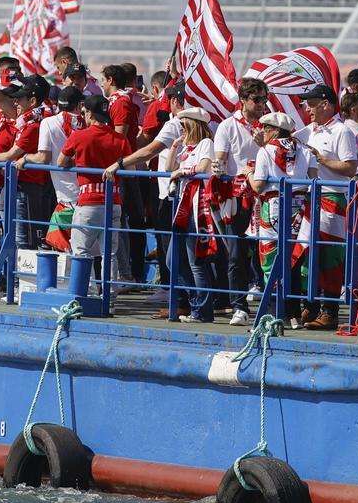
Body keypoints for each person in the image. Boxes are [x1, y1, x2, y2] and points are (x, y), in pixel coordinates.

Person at [105, 82, 191, 317]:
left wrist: (121, 163)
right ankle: (196, 299)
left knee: (171, 249)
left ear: (174, 102)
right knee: (189, 251)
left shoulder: (175, 124)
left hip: (172, 196)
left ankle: (180, 299)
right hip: (188, 197)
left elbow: (150, 149)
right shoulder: (201, 124)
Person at [295, 83, 358, 330]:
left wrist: (322, 159)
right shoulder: (311, 130)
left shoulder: (341, 131)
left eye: (311, 105)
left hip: (333, 197)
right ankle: (310, 305)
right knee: (308, 253)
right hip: (312, 197)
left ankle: (330, 311)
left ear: (325, 104)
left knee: (330, 255)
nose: (307, 109)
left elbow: (350, 167)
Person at [244, 111, 317, 328]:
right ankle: (294, 314)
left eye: (266, 128)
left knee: (270, 261)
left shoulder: (265, 151)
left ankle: (275, 312)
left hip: (272, 208)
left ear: (275, 130)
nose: (262, 132)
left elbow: (257, 185)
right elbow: (313, 180)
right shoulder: (305, 149)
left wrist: (248, 173)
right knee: (294, 260)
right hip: (299, 210)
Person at [209, 78, 268, 325]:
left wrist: (266, 144)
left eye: (265, 100)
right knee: (237, 254)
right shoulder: (228, 126)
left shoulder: (269, 125)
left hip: (266, 197)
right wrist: (216, 167)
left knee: (267, 254)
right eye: (257, 100)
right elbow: (221, 160)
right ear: (243, 100)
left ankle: (272, 305)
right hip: (238, 198)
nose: (262, 105)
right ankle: (239, 306)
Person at [0, 73, 52, 253]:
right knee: (12, 238)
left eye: (20, 99)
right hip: (18, 185)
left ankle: (18, 281)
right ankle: (11, 279)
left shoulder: (34, 125)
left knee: (22, 240)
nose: (15, 102)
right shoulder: (29, 121)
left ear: (32, 101)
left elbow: (10, 155)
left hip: (27, 187)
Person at [58, 94, 130, 278]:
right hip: (113, 201)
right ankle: (110, 296)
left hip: (88, 201)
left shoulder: (79, 136)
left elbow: (61, 162)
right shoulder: (120, 139)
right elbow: (131, 167)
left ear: (89, 113)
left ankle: (85, 293)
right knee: (110, 253)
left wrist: (80, 161)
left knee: (81, 251)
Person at [167, 107, 220, 324]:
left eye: (183, 124)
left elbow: (204, 166)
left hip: (196, 208)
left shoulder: (205, 144)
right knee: (173, 260)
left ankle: (202, 310)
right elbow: (168, 167)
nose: (180, 128)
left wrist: (181, 172)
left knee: (195, 261)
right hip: (183, 207)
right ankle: (196, 301)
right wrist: (174, 147)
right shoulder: (186, 148)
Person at [102, 63, 147, 287]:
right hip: (120, 168)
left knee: (121, 220)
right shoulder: (118, 101)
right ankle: (127, 273)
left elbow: (118, 138)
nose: (101, 84)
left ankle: (128, 274)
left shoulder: (120, 102)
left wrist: (111, 163)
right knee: (119, 221)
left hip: (122, 170)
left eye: (103, 80)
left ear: (110, 80)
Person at [29, 86, 84, 252]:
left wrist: (25, 158)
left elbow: (42, 158)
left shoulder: (48, 122)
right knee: (97, 251)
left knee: (67, 250)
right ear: (79, 105)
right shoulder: (88, 122)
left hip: (67, 200)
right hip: (91, 194)